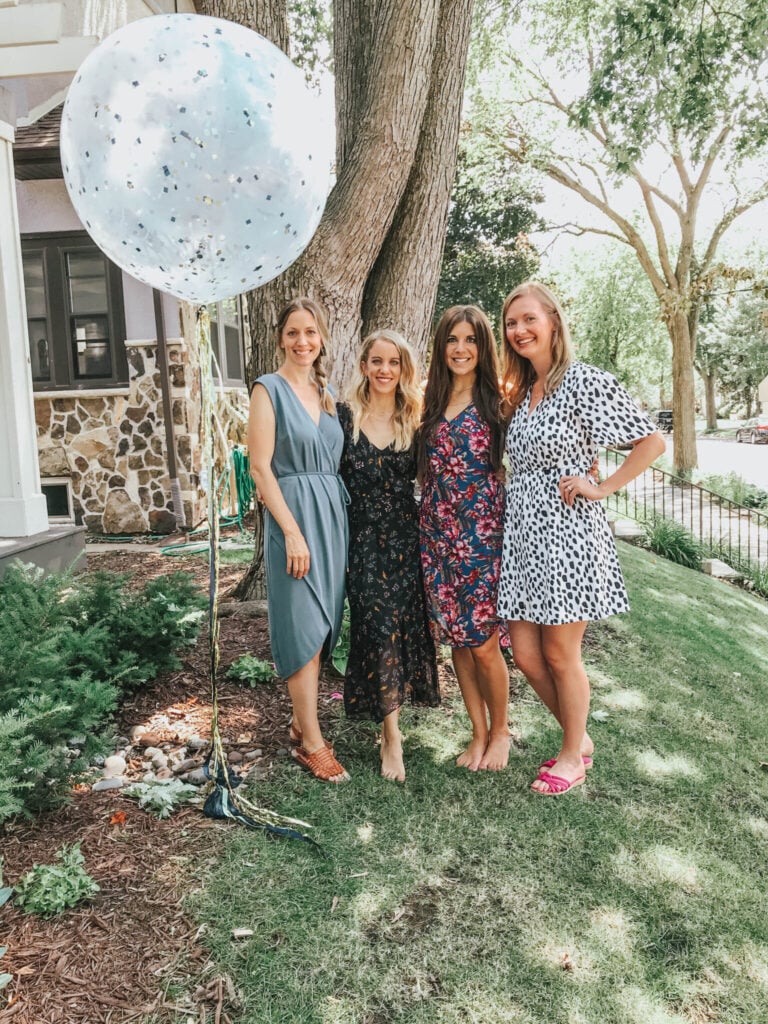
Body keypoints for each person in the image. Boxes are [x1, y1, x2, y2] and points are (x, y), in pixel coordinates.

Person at [497, 281, 666, 796]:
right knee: (525, 653)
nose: (519, 330)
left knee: (560, 655)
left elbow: (652, 441)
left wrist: (601, 487)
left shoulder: (584, 381)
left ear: (552, 320)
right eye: (511, 323)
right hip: (524, 538)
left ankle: (572, 754)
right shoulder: (524, 391)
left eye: (528, 319)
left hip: (568, 536)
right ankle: (580, 735)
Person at [247, 297, 350, 784]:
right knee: (302, 627)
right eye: (293, 333)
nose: (303, 341)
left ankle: (299, 721)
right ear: (280, 338)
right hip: (294, 517)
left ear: (323, 337)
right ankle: (312, 744)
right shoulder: (268, 390)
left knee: (325, 624)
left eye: (311, 332)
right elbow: (260, 467)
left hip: (332, 518)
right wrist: (290, 532)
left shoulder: (326, 391)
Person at [338, 330, 440, 782]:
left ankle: (392, 727)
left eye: (393, 363)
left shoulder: (414, 419)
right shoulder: (342, 418)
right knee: (376, 630)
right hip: (360, 542)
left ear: (403, 369)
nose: (384, 370)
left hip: (405, 539)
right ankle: (391, 735)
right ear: (363, 366)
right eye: (376, 361)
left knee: (400, 630)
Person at [417, 305, 511, 772]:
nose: (460, 348)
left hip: (483, 537)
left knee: (484, 643)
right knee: (457, 640)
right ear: (441, 346)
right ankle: (476, 733)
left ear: (483, 347)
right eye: (453, 339)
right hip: (436, 537)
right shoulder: (428, 403)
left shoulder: (500, 403)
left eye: (470, 340)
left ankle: (501, 732)